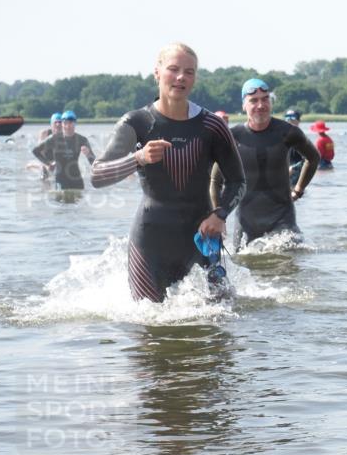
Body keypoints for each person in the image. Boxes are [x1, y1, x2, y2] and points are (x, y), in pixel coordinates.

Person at [91, 43, 246, 303]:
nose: (181, 77)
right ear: (157, 72)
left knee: (220, 318)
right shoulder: (137, 122)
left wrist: (220, 215)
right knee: (149, 320)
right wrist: (138, 158)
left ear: (194, 78)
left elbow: (238, 181)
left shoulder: (212, 125)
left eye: (189, 72)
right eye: (173, 69)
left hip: (201, 237)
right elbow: (97, 176)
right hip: (150, 240)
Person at [210, 79, 320, 248]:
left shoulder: (288, 132)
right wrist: (218, 217)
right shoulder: (232, 137)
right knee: (242, 262)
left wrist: (298, 190)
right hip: (246, 223)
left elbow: (313, 158)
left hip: (283, 221)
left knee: (287, 260)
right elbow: (215, 181)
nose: (260, 105)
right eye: (254, 100)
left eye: (265, 99)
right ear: (244, 105)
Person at [32, 109, 95, 189]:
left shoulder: (82, 140)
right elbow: (35, 151)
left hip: (77, 181)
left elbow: (94, 163)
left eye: (70, 123)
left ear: (75, 123)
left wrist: (88, 155)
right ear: (62, 124)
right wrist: (48, 164)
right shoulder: (54, 138)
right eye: (65, 123)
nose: (68, 126)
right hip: (61, 181)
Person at [284, 108, 306, 184]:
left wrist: (293, 168)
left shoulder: (301, 138)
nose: (289, 120)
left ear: (298, 121)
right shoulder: (281, 136)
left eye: (292, 117)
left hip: (296, 176)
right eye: (287, 117)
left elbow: (308, 159)